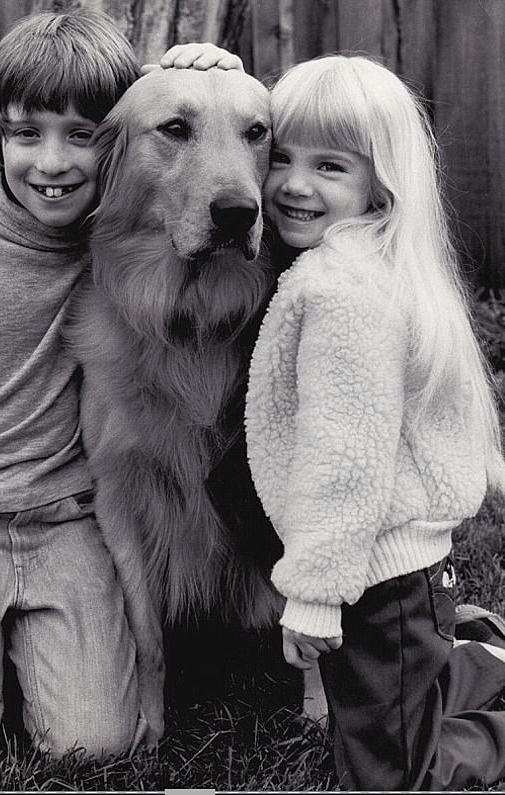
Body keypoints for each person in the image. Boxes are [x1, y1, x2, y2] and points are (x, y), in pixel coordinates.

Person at [0, 7, 236, 762]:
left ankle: (34, 647)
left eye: (82, 135)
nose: (54, 162)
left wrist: (195, 65)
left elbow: (190, 137)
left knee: (95, 743)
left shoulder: (122, 240)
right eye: (25, 133)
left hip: (68, 521)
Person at [244, 54, 505, 791]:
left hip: (380, 576)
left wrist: (315, 594)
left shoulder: (342, 294)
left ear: (379, 186)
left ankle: (468, 677)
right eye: (283, 158)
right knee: (383, 706)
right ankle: (468, 652)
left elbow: (345, 455)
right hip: (395, 569)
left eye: (330, 166)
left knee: (394, 774)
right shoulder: (362, 259)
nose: (295, 184)